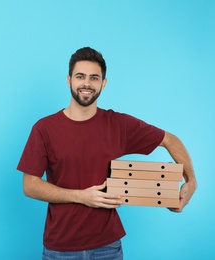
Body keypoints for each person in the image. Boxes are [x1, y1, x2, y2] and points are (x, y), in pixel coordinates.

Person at [16, 47, 197, 260]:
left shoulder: (117, 125)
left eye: (94, 78)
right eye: (80, 76)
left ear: (103, 83)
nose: (86, 83)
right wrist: (81, 196)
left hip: (107, 247)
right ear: (69, 80)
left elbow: (170, 140)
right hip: (60, 248)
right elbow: (29, 185)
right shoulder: (44, 128)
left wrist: (191, 180)